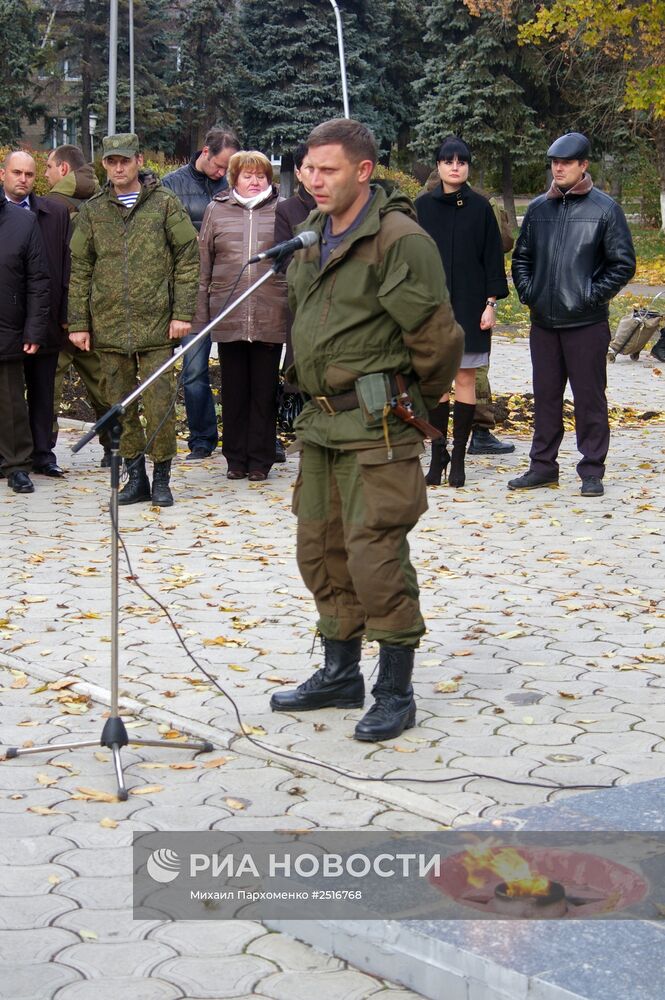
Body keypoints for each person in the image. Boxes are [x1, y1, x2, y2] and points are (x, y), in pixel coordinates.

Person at [269, 118, 464, 742]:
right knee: (320, 551)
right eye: (308, 168)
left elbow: (437, 341)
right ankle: (340, 672)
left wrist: (407, 404)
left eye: (327, 169)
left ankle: (395, 690)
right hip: (322, 424)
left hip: (378, 427)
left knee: (374, 555)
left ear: (363, 171)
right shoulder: (312, 233)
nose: (314, 179)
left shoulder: (400, 241)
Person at [68, 133, 199, 506]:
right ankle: (136, 476)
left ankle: (162, 478)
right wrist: (78, 323)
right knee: (119, 405)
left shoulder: (165, 204)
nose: (119, 167)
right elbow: (80, 269)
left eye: (125, 160)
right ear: (104, 165)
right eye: (112, 161)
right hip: (109, 326)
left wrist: (182, 313)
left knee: (160, 405)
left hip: (157, 324)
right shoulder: (93, 211)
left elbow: (188, 258)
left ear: (139, 161)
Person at [509, 132, 636, 497]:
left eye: (566, 162)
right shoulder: (538, 209)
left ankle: (592, 470)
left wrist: (589, 297)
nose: (558, 168)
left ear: (584, 165)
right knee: (545, 397)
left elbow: (622, 263)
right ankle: (542, 466)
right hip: (544, 324)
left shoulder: (605, 209)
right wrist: (529, 293)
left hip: (586, 324)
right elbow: (521, 258)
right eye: (554, 162)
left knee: (590, 398)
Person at [415, 136, 508, 487]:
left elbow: (493, 259)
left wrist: (490, 304)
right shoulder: (422, 207)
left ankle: (458, 459)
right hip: (432, 308)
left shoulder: (481, 208)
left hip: (471, 305)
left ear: (468, 167)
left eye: (462, 162)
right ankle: (437, 456)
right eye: (448, 161)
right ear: (438, 166)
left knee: (466, 378)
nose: (455, 167)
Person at [192, 150, 287, 482]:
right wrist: (201, 317)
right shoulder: (216, 210)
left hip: (270, 313)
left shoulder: (281, 209)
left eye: (260, 175)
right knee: (233, 390)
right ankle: (235, 459)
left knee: (264, 391)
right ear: (234, 179)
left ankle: (260, 460)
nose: (254, 181)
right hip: (228, 312)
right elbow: (204, 265)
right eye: (247, 175)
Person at [162, 126, 241, 461]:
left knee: (241, 369)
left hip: (228, 287)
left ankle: (244, 438)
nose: (223, 173)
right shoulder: (171, 185)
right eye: (220, 166)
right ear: (205, 152)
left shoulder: (233, 187)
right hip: (190, 291)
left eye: (228, 168)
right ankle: (202, 439)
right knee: (194, 370)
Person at [1, 150, 71, 478]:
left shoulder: (54, 213)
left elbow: (65, 267)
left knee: (43, 389)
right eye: (17, 173)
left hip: (45, 315)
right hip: (8, 319)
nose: (23, 179)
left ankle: (42, 453)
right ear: (4, 174)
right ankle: (12, 457)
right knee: (9, 394)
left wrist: (64, 313)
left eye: (29, 174)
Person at [44, 144, 113, 468]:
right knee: (104, 384)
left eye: (48, 167)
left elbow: (49, 263)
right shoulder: (103, 201)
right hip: (96, 312)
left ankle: (43, 452)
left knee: (47, 386)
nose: (45, 174)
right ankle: (117, 447)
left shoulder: (50, 206)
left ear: (63, 169)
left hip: (59, 315)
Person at [0, 195, 50, 493]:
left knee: (11, 402)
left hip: (7, 326)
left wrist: (34, 330)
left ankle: (17, 465)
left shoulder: (23, 221)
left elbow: (38, 280)